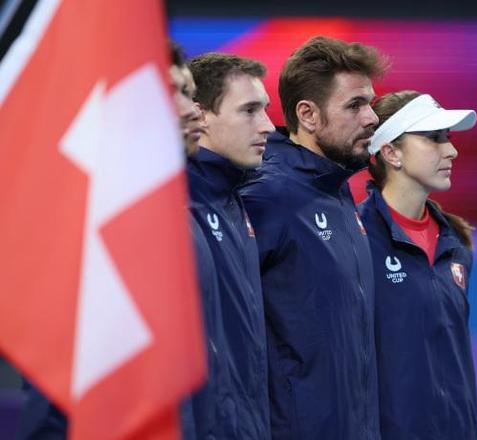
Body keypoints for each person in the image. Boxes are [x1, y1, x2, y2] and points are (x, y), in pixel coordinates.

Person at [15, 40, 206, 440]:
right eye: (173, 91)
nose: (193, 109)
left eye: (189, 92)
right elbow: (55, 399)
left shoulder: (173, 217)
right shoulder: (85, 223)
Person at [238, 36, 387, 440]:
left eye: (371, 103)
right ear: (308, 114)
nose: (371, 117)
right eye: (355, 105)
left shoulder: (337, 192)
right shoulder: (266, 194)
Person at [358, 91, 477, 439]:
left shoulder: (456, 243)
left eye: (448, 137)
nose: (451, 150)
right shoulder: (355, 238)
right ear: (391, 153)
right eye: (433, 138)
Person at [183, 52, 274, 440]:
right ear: (201, 115)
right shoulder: (175, 202)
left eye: (265, 109)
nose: (268, 125)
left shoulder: (235, 199)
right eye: (249, 110)